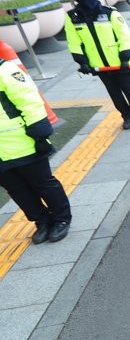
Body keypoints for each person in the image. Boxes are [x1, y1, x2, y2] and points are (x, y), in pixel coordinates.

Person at [0, 59, 71, 244]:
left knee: (43, 183)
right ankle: (42, 221)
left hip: (21, 141)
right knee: (16, 189)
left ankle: (61, 219)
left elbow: (29, 100)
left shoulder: (5, 69)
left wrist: (39, 133)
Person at [64, 0, 130, 130]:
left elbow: (124, 36)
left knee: (129, 90)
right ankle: (126, 116)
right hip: (98, 64)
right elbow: (73, 41)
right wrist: (81, 61)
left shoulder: (109, 12)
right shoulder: (73, 17)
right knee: (114, 94)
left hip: (119, 61)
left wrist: (126, 57)